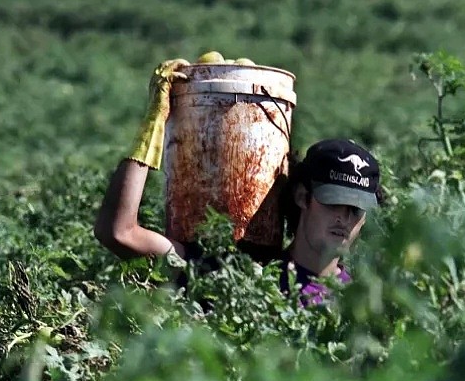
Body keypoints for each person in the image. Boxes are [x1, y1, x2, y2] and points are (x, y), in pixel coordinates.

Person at [94, 59, 382, 304]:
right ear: (301, 197)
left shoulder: (361, 304)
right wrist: (155, 124)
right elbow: (120, 232)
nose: (345, 218)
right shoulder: (235, 274)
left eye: (356, 209)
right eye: (334, 203)